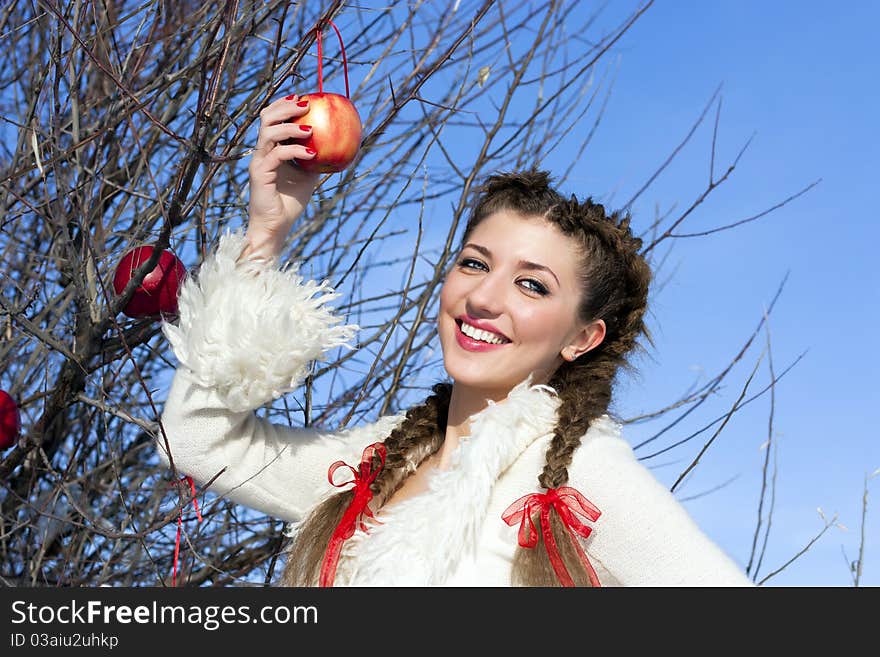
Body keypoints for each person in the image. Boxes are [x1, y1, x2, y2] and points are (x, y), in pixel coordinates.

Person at [156, 94, 754, 587]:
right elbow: (197, 441)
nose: (484, 298)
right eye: (473, 263)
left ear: (582, 338)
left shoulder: (578, 474)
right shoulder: (379, 459)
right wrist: (266, 231)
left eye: (531, 285)